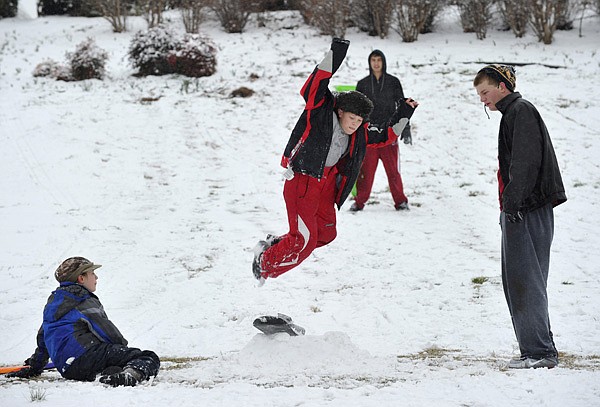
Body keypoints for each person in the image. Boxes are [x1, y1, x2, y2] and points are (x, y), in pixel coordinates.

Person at [252, 38, 418, 283]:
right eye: (351, 118)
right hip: (303, 180)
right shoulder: (320, 112)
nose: (354, 124)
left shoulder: (359, 132)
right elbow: (315, 84)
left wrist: (405, 112)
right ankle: (263, 263)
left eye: (359, 121)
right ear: (340, 111)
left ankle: (276, 245)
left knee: (326, 234)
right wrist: (336, 53)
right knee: (304, 242)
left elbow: (385, 135)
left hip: (326, 185)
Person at [473, 64, 567, 369]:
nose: (483, 100)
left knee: (523, 280)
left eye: (485, 92)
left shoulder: (520, 111)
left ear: (502, 87)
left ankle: (539, 352)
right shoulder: (515, 113)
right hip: (525, 208)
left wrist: (512, 204)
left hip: (524, 209)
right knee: (525, 279)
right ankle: (538, 349)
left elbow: (525, 162)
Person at [7, 257, 160, 386]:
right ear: (81, 278)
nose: (96, 277)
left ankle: (110, 375)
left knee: (113, 365)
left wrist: (35, 367)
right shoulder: (83, 300)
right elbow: (107, 331)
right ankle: (131, 376)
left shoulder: (53, 304)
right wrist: (122, 350)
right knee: (147, 357)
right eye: (92, 273)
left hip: (69, 370)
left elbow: (43, 338)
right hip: (86, 356)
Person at [351, 49, 412, 212]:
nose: (376, 63)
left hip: (388, 133)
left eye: (379, 60)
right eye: (373, 60)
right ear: (369, 63)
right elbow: (357, 110)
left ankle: (400, 201)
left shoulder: (393, 82)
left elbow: (402, 105)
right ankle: (359, 202)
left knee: (393, 171)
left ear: (383, 62)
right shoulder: (362, 84)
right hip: (369, 135)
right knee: (365, 172)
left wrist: (405, 127)